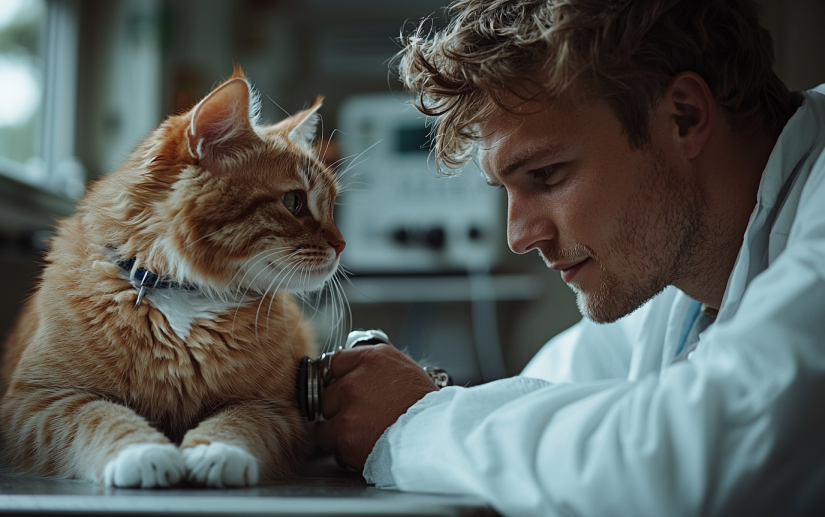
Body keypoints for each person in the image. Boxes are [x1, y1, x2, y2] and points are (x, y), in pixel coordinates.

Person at [314, 0, 825, 515]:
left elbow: (685, 460)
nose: (519, 236)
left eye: (547, 174)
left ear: (684, 116)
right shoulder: (677, 282)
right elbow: (551, 395)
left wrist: (414, 423)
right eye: (505, 189)